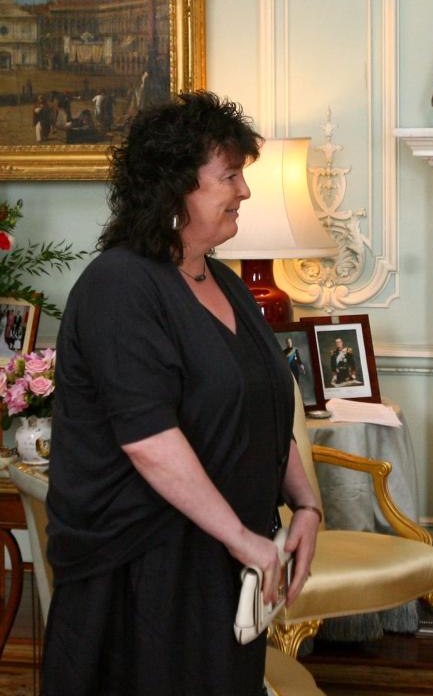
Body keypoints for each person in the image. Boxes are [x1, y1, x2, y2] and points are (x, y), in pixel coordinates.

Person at [44, 91, 321, 695]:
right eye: (229, 176)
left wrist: (306, 506)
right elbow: (148, 442)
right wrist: (243, 538)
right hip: (144, 568)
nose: (244, 191)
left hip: (221, 555)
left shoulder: (222, 279)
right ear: (175, 190)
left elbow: (264, 408)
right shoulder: (118, 285)